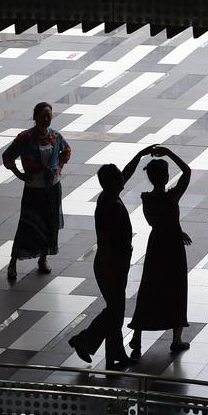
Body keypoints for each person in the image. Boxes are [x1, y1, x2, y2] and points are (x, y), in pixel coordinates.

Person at [68, 146, 157, 371]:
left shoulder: (110, 195)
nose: (122, 180)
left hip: (117, 262)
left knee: (115, 310)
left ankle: (114, 353)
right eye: (118, 178)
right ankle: (85, 340)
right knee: (115, 310)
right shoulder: (107, 206)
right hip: (111, 264)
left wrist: (139, 155)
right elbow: (104, 242)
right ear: (111, 182)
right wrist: (109, 270)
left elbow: (126, 173)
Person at [128, 146, 192, 358]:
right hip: (172, 244)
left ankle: (137, 336)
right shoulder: (172, 197)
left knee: (150, 287)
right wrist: (170, 153)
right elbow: (187, 172)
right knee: (176, 287)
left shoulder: (146, 198)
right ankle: (176, 338)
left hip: (156, 243)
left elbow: (159, 221)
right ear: (166, 176)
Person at [2, 102, 72, 281]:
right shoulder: (25, 138)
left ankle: (43, 258)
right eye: (43, 116)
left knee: (50, 225)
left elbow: (67, 150)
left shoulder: (55, 136)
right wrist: (20, 174)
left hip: (52, 189)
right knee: (27, 226)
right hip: (33, 190)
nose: (46, 119)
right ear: (35, 117)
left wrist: (59, 167)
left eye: (49, 115)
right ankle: (13, 262)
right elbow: (8, 156)